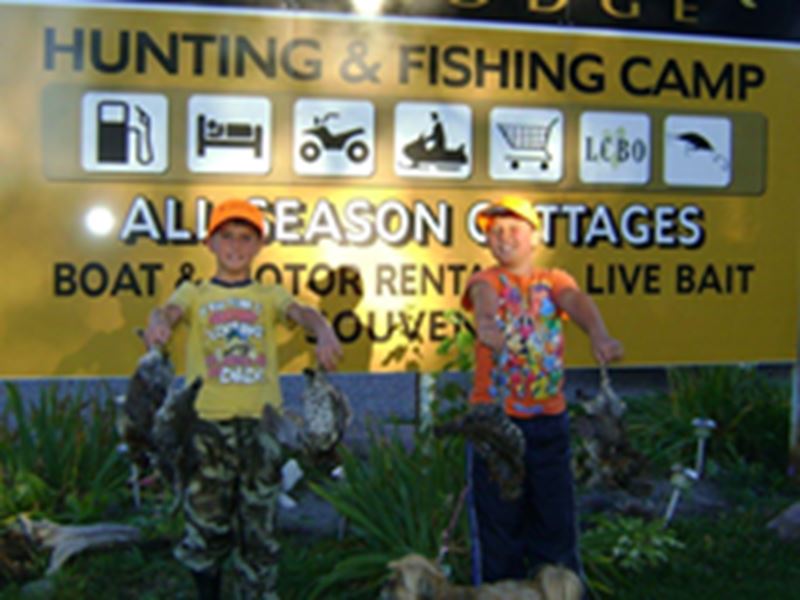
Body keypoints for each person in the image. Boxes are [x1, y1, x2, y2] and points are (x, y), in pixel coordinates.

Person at [143, 198, 342, 600]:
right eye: (227, 236)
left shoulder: (268, 295)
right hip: (205, 427)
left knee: (260, 532)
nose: (236, 246)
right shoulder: (194, 293)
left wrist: (322, 328)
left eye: (246, 238)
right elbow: (166, 312)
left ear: (258, 246)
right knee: (205, 527)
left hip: (260, 428)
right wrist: (157, 323)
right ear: (210, 243)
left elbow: (301, 313)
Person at [462, 195, 623, 588]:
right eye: (495, 232)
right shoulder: (486, 280)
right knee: (499, 533)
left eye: (514, 229)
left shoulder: (553, 281)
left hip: (548, 424)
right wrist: (486, 323)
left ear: (534, 237)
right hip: (496, 426)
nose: (504, 238)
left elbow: (576, 301)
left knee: (555, 529)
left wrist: (598, 333)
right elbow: (484, 301)